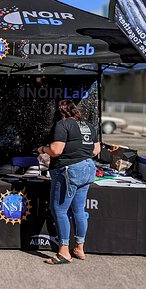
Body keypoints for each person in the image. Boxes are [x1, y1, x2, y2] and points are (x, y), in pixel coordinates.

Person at [36, 100, 100, 265]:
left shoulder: (63, 124)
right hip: (88, 167)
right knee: (78, 210)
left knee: (59, 210)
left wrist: (43, 149)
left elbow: (56, 150)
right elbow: (96, 150)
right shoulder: (88, 126)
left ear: (60, 113)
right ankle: (79, 248)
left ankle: (64, 252)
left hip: (69, 169)